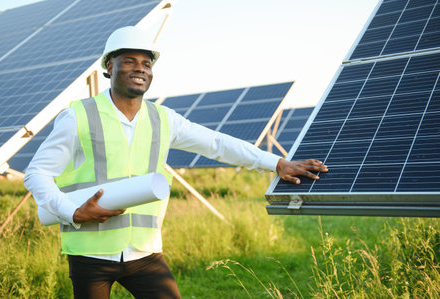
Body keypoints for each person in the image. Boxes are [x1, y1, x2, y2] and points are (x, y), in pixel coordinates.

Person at [24, 26, 328, 299]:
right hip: (90, 253)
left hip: (145, 253)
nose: (140, 69)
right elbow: (37, 173)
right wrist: (73, 211)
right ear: (109, 66)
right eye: (129, 61)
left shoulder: (162, 118)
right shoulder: (78, 116)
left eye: (146, 63)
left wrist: (276, 163)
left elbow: (217, 144)